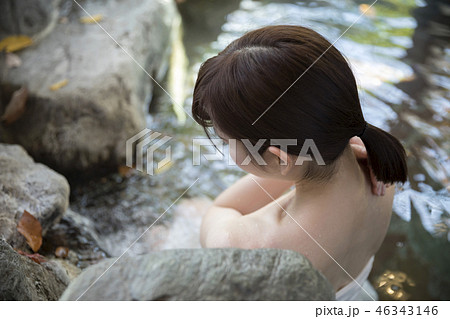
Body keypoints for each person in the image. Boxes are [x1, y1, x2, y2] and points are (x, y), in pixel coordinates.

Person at [191, 25, 407, 300]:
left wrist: (296, 161)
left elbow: (221, 208)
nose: (224, 148)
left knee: (187, 212)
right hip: (360, 297)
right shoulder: (379, 165)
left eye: (225, 141)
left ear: (281, 158)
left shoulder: (248, 244)